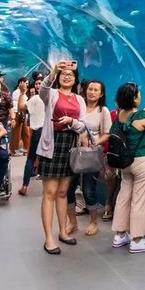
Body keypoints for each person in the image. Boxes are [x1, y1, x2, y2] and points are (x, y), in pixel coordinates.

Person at [36, 60, 88, 254]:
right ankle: (48, 237)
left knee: (63, 192)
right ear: (58, 76)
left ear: (76, 79)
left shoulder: (79, 99)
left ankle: (63, 232)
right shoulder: (52, 93)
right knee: (49, 192)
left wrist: (72, 121)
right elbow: (43, 88)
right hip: (52, 145)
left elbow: (82, 125)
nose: (67, 76)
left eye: (71, 74)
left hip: (70, 147)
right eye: (63, 73)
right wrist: (54, 70)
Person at [110, 82, 145, 253]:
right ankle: (137, 239)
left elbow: (131, 123)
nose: (140, 96)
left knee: (124, 196)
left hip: (125, 163)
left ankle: (120, 235)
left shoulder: (121, 114)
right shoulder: (140, 116)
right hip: (141, 161)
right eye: (138, 94)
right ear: (135, 99)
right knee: (140, 199)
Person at [66, 79, 113, 237]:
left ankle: (93, 223)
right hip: (73, 152)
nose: (91, 92)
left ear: (101, 94)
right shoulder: (78, 106)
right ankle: (72, 222)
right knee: (68, 188)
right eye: (89, 89)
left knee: (88, 189)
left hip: (91, 155)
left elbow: (107, 133)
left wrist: (94, 143)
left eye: (95, 90)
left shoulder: (103, 111)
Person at [18, 82, 43, 196]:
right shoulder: (55, 96)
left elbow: (20, 107)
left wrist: (22, 93)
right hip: (51, 132)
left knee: (31, 158)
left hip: (38, 131)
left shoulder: (36, 98)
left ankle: (24, 186)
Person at [9, 76, 29, 155]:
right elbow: (18, 104)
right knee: (16, 132)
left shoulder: (23, 92)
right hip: (17, 112)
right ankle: (13, 149)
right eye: (25, 83)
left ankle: (26, 148)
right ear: (21, 83)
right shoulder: (17, 92)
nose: (27, 85)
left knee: (25, 132)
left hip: (23, 113)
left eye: (27, 83)